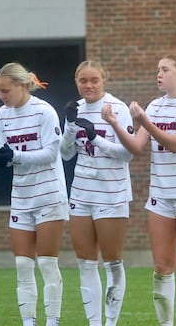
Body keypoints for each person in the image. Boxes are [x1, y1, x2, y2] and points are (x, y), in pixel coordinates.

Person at [102, 54, 176, 326]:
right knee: (162, 266)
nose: (159, 74)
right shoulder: (155, 105)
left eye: (165, 70)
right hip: (161, 193)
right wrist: (116, 123)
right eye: (158, 70)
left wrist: (145, 120)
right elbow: (138, 147)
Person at [0, 62, 69, 326]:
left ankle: (52, 321)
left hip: (48, 194)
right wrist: (3, 157)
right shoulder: (2, 115)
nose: (1, 97)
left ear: (22, 86)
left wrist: (16, 156)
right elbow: (0, 146)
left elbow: (50, 154)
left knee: (47, 263)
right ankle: (28, 321)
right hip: (21, 196)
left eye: (5, 91)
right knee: (23, 265)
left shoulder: (44, 111)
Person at [60, 60, 133, 326]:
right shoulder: (76, 109)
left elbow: (127, 153)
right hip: (81, 192)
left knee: (112, 261)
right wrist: (69, 127)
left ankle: (111, 321)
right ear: (76, 82)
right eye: (83, 81)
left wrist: (96, 138)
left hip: (111, 193)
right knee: (86, 262)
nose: (88, 86)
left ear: (104, 80)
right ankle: (94, 322)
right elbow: (66, 153)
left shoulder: (117, 108)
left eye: (94, 80)